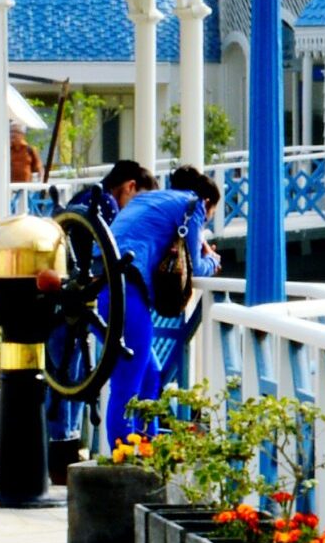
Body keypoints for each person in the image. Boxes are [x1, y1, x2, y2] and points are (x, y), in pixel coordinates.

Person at [46, 161, 156, 466]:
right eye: (140, 200)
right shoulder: (106, 206)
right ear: (130, 186)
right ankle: (65, 454)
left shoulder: (82, 199)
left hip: (62, 301)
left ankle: (55, 454)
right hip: (82, 300)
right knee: (74, 375)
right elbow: (106, 255)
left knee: (65, 375)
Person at [102, 165, 224, 440]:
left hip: (104, 287)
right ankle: (124, 465)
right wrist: (213, 259)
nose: (204, 225)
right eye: (208, 219)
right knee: (127, 386)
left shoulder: (149, 198)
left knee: (150, 374)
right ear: (207, 203)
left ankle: (147, 449)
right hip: (127, 292)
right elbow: (193, 267)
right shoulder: (194, 206)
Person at [8, 120, 44, 184]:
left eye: (16, 131)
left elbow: (39, 167)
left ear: (23, 134)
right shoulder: (7, 150)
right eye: (11, 131)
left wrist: (41, 183)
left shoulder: (30, 149)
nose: (12, 134)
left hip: (25, 189)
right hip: (9, 188)